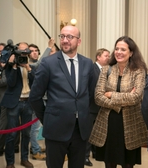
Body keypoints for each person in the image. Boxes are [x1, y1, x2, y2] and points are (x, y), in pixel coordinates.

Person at [29, 25, 94, 168]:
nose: (65, 40)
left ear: (79, 41)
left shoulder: (88, 63)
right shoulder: (48, 63)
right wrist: (47, 118)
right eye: (62, 36)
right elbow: (34, 97)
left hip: (80, 130)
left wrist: (86, 116)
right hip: (55, 128)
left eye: (70, 37)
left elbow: (91, 94)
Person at [89, 36, 148, 168]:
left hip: (131, 125)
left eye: (123, 49)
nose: (118, 52)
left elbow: (136, 97)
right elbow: (98, 97)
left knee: (128, 164)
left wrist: (111, 95)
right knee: (109, 163)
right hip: (108, 125)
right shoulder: (106, 69)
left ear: (131, 52)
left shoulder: (138, 71)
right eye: (116, 49)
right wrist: (123, 99)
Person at [1, 42, 35, 168]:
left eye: (25, 51)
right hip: (14, 104)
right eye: (21, 51)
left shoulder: (31, 67)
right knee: (11, 134)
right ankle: (10, 162)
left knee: (26, 133)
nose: (23, 54)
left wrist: (28, 68)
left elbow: (36, 82)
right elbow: (10, 83)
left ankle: (24, 159)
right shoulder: (10, 67)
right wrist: (14, 66)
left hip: (28, 103)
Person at [85, 48, 110, 167]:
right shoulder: (92, 69)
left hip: (102, 107)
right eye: (106, 55)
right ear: (98, 57)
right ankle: (85, 156)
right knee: (89, 133)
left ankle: (96, 153)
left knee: (98, 132)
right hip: (91, 107)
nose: (108, 58)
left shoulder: (107, 71)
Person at [27, 43, 46, 161]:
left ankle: (35, 147)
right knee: (34, 128)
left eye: (36, 50)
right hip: (33, 101)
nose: (34, 52)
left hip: (42, 99)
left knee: (37, 128)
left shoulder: (39, 64)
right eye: (32, 51)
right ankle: (35, 151)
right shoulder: (28, 65)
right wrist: (49, 48)